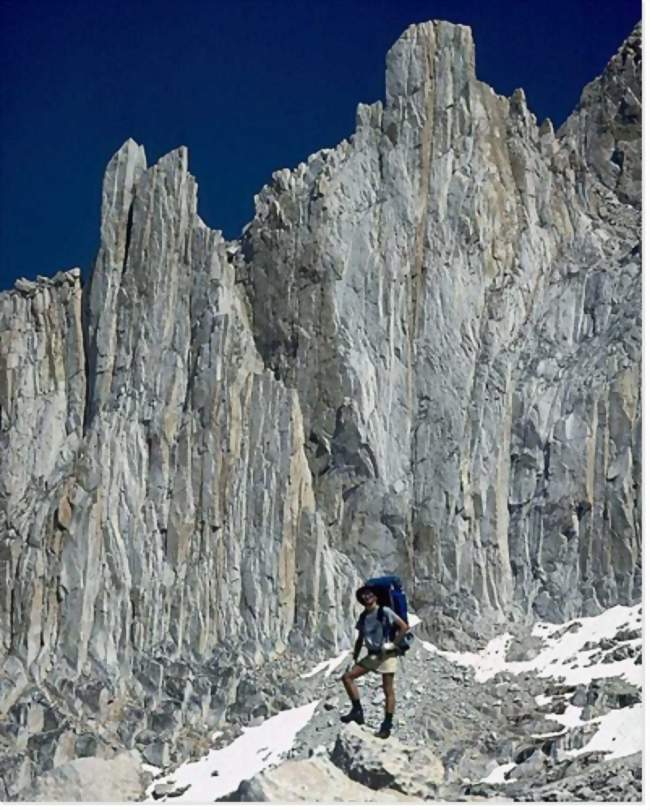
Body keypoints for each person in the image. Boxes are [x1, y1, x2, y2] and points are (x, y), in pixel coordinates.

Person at [340, 585, 410, 739]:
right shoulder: (364, 616)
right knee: (347, 677)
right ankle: (357, 711)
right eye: (363, 596)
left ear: (375, 597)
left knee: (388, 690)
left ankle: (386, 726)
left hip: (386, 654)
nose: (366, 597)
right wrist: (355, 657)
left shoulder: (384, 611)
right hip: (372, 655)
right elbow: (360, 639)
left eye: (369, 594)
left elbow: (404, 627)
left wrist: (393, 644)